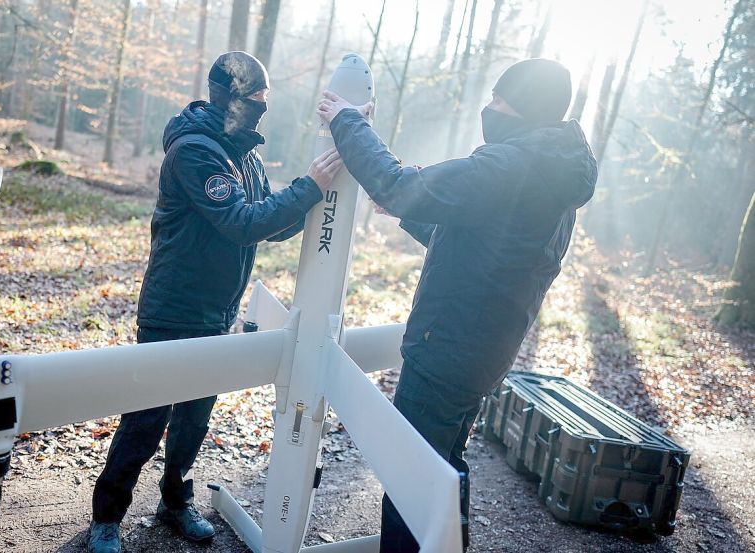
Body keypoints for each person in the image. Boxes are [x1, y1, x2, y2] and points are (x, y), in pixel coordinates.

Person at [317, 58, 598, 552]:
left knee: (410, 478)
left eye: (499, 99)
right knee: (444, 467)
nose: (488, 107)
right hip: (485, 353)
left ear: (524, 107)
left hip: (446, 350)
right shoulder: (555, 174)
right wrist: (410, 212)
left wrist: (348, 120)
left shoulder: (510, 165)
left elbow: (400, 185)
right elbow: (491, 249)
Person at [87, 51, 343, 553]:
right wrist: (308, 186)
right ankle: (107, 517)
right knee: (146, 418)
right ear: (227, 97)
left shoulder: (242, 152)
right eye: (255, 100)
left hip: (216, 310)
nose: (262, 109)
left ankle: (174, 502)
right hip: (172, 308)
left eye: (266, 101)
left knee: (194, 417)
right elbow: (241, 221)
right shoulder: (195, 150)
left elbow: (266, 222)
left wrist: (313, 200)